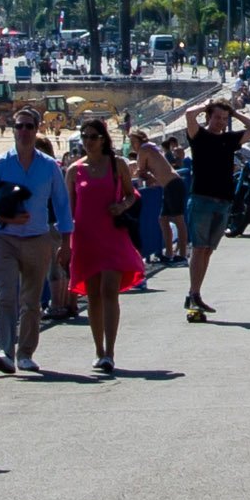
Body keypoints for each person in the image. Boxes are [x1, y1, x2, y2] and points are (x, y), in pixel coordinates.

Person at [0, 116, 72, 377]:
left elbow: (62, 205)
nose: (24, 131)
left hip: (38, 238)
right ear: (13, 130)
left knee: (31, 300)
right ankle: (6, 352)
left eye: (29, 126)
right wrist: (2, 217)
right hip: (3, 238)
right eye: (19, 126)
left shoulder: (49, 167)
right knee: (5, 295)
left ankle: (26, 353)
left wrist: (66, 242)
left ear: (36, 130)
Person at [65, 126, 149, 376]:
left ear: (103, 139)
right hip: (85, 238)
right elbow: (69, 209)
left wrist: (122, 205)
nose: (88, 142)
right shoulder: (73, 170)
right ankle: (98, 350)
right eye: (85, 137)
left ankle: (110, 352)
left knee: (109, 289)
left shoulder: (117, 164)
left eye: (93, 137)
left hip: (112, 234)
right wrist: (64, 243)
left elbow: (132, 194)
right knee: (93, 295)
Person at [182, 102, 250, 322]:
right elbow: (189, 115)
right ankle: (194, 294)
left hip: (223, 201)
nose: (220, 122)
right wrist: (207, 105)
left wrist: (236, 113)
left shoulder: (229, 140)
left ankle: (195, 292)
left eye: (224, 119)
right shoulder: (198, 136)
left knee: (208, 250)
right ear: (208, 118)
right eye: (216, 118)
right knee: (200, 248)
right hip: (202, 198)